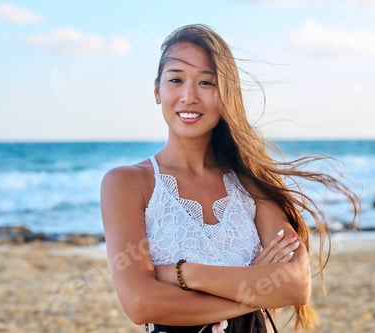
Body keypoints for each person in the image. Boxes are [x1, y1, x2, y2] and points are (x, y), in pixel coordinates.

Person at [101, 24, 359, 332]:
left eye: (207, 83)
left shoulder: (251, 181)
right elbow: (141, 304)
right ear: (158, 91)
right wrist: (255, 291)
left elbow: (296, 285)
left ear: (226, 95)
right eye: (175, 80)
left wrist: (186, 274)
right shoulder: (127, 183)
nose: (188, 96)